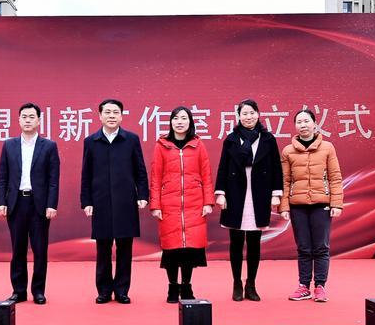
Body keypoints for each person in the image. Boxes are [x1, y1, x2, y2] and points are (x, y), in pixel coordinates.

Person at [80, 98, 149, 304]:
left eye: (115, 112)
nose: (111, 116)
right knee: (103, 248)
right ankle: (103, 290)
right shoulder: (91, 141)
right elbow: (86, 174)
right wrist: (86, 201)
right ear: (100, 116)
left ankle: (121, 290)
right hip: (100, 201)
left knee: (125, 248)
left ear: (121, 116)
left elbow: (140, 170)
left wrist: (142, 195)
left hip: (125, 201)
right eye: (107, 112)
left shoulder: (131, 139)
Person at [214, 99, 283, 302]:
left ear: (258, 114)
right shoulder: (231, 139)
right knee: (236, 241)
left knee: (254, 242)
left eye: (252, 113)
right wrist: (220, 192)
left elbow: (276, 167)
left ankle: (251, 284)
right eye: (244, 114)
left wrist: (276, 193)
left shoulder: (268, 139)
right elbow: (223, 167)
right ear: (239, 116)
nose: (248, 117)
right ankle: (236, 283)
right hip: (236, 192)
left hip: (259, 193)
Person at [0, 102, 60, 305]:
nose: (27, 120)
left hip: (39, 204)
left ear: (39, 121)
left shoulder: (49, 146)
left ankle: (38, 291)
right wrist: (1, 201)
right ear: (18, 120)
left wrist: (52, 204)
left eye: (32, 117)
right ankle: (19, 291)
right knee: (18, 249)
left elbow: (53, 179)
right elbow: (2, 177)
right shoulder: (9, 145)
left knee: (40, 250)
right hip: (16, 203)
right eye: (24, 116)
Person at [150, 107, 215, 303]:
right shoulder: (161, 145)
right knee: (171, 248)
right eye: (176, 118)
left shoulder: (198, 144)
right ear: (170, 122)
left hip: (194, 203)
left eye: (184, 118)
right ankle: (172, 287)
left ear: (190, 122)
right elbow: (155, 176)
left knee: (189, 249)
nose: (179, 122)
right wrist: (155, 204)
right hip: (168, 204)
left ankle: (186, 286)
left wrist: (208, 202)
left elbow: (206, 174)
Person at [279, 108, 344, 303]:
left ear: (315, 124)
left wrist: (336, 203)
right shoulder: (288, 151)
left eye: (306, 121)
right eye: (299, 122)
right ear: (295, 126)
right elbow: (285, 180)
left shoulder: (328, 147)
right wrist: (284, 207)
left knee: (321, 247)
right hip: (297, 206)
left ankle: (320, 286)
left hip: (321, 204)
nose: (303, 125)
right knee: (304, 248)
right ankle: (303, 286)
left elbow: (335, 177)